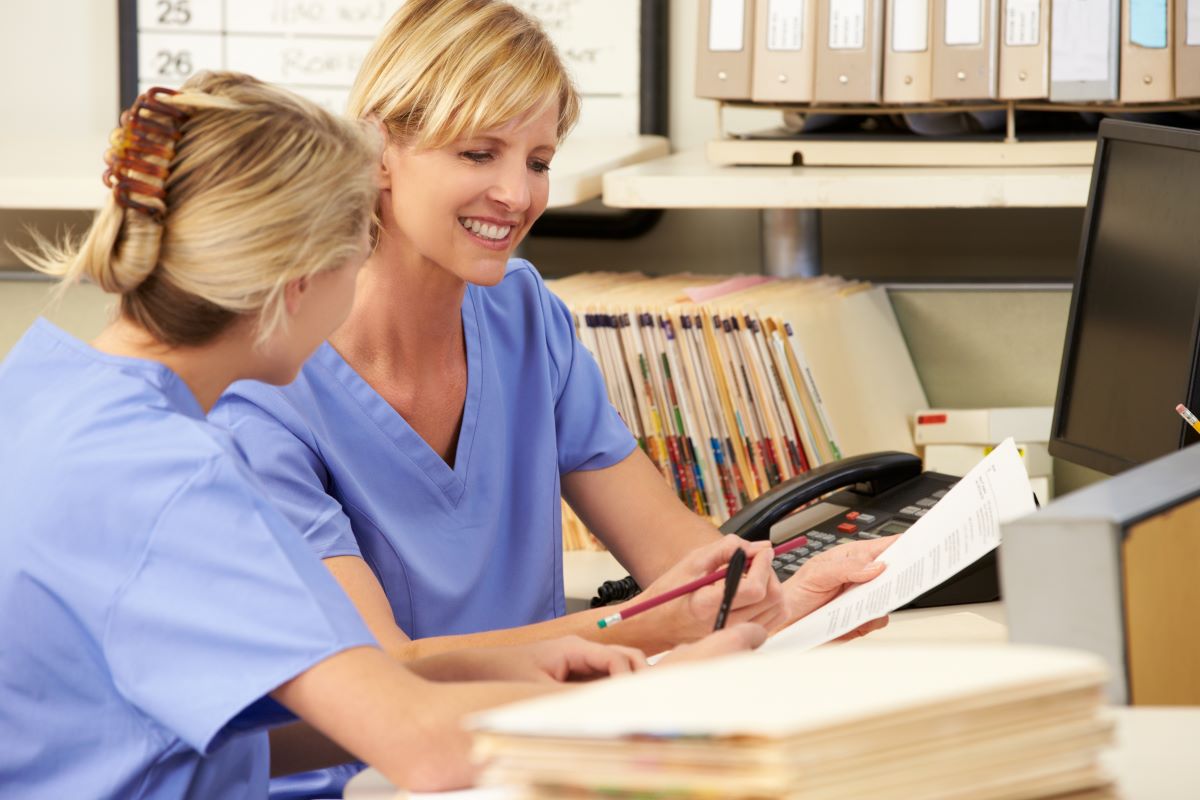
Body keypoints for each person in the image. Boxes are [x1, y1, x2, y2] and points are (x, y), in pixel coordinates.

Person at [0, 72, 764, 799]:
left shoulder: (38, 390)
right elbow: (423, 750)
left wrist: (513, 672)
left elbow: (225, 731)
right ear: (299, 281)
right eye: (359, 249)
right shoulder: (174, 480)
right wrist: (663, 692)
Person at [214, 0, 889, 658]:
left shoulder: (525, 317)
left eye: (537, 161)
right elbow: (383, 670)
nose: (517, 195)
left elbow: (677, 559)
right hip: (373, 769)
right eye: (479, 153)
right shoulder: (266, 390)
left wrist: (792, 599)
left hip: (534, 740)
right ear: (380, 147)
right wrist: (640, 626)